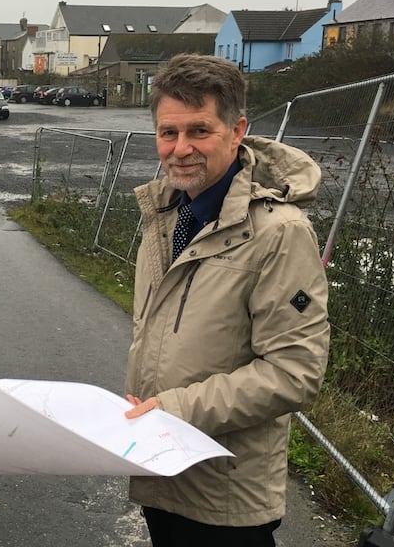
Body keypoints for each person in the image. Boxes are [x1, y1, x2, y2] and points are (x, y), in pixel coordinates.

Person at [122, 54, 330, 547]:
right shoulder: (168, 213)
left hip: (224, 494)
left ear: (237, 131)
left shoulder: (280, 233)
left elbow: (294, 372)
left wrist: (172, 409)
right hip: (163, 468)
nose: (180, 149)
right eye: (168, 133)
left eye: (199, 131)